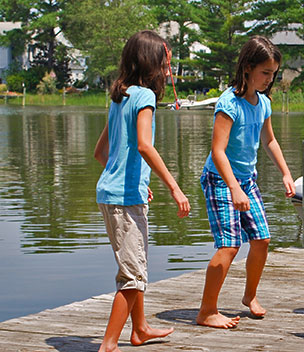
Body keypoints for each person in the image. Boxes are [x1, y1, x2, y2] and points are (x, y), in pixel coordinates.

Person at [93, 30, 191, 352]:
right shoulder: (145, 97)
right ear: (151, 63)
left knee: (135, 265)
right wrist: (175, 188)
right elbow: (145, 146)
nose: (168, 72)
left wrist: (131, 179)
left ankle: (141, 329)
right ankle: (108, 345)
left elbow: (101, 152)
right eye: (165, 65)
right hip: (123, 199)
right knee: (133, 275)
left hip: (112, 194)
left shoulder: (119, 96)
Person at [196, 36, 295, 329]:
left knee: (262, 239)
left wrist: (286, 172)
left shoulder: (262, 103)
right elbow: (218, 150)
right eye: (265, 72)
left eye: (273, 73)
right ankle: (207, 311)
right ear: (248, 68)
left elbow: (270, 140)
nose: (269, 79)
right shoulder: (230, 103)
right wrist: (234, 188)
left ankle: (249, 296)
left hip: (246, 180)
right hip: (220, 179)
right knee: (229, 245)